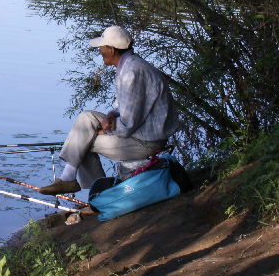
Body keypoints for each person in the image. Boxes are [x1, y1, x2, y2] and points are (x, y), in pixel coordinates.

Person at [39, 26, 180, 195]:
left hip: (146, 141)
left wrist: (105, 133)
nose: (99, 50)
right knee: (86, 118)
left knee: (84, 144)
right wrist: (112, 114)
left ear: (111, 50)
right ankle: (68, 178)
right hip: (138, 132)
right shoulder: (129, 66)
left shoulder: (132, 72)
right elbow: (123, 108)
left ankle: (99, 195)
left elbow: (128, 125)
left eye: (102, 47)